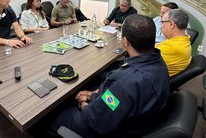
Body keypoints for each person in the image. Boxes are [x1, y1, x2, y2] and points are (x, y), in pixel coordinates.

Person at [34, 14, 170, 138]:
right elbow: (112, 99)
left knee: (49, 116)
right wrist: (92, 95)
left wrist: (83, 102)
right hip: (135, 118)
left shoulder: (123, 83)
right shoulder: (159, 62)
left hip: (105, 129)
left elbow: (97, 120)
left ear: (125, 42)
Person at [156, 9, 191, 77]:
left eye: (162, 22)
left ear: (171, 24)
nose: (161, 26)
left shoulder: (171, 47)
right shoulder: (185, 39)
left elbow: (139, 58)